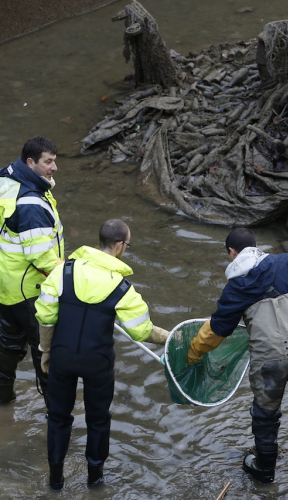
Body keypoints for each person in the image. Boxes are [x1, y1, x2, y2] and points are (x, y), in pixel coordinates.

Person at [188, 227, 288, 494]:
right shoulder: (287, 263)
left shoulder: (235, 288)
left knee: (265, 417)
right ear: (256, 246)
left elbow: (214, 332)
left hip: (268, 362)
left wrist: (193, 353)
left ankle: (265, 473)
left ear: (231, 253)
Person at [34, 219, 170, 491]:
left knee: (58, 418)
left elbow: (45, 316)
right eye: (127, 245)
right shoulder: (123, 288)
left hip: (62, 356)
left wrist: (46, 352)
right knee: (98, 420)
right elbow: (141, 331)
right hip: (98, 363)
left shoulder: (63, 272)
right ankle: (95, 481)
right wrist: (171, 337)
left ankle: (55, 482)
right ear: (120, 246)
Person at [0, 136, 64, 406]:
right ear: (31, 162)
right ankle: (56, 412)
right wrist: (72, 279)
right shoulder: (31, 205)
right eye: (48, 162)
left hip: (6, 287)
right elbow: (43, 260)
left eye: (55, 161)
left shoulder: (6, 179)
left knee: (6, 350)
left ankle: (4, 406)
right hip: (31, 293)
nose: (54, 167)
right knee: (46, 353)